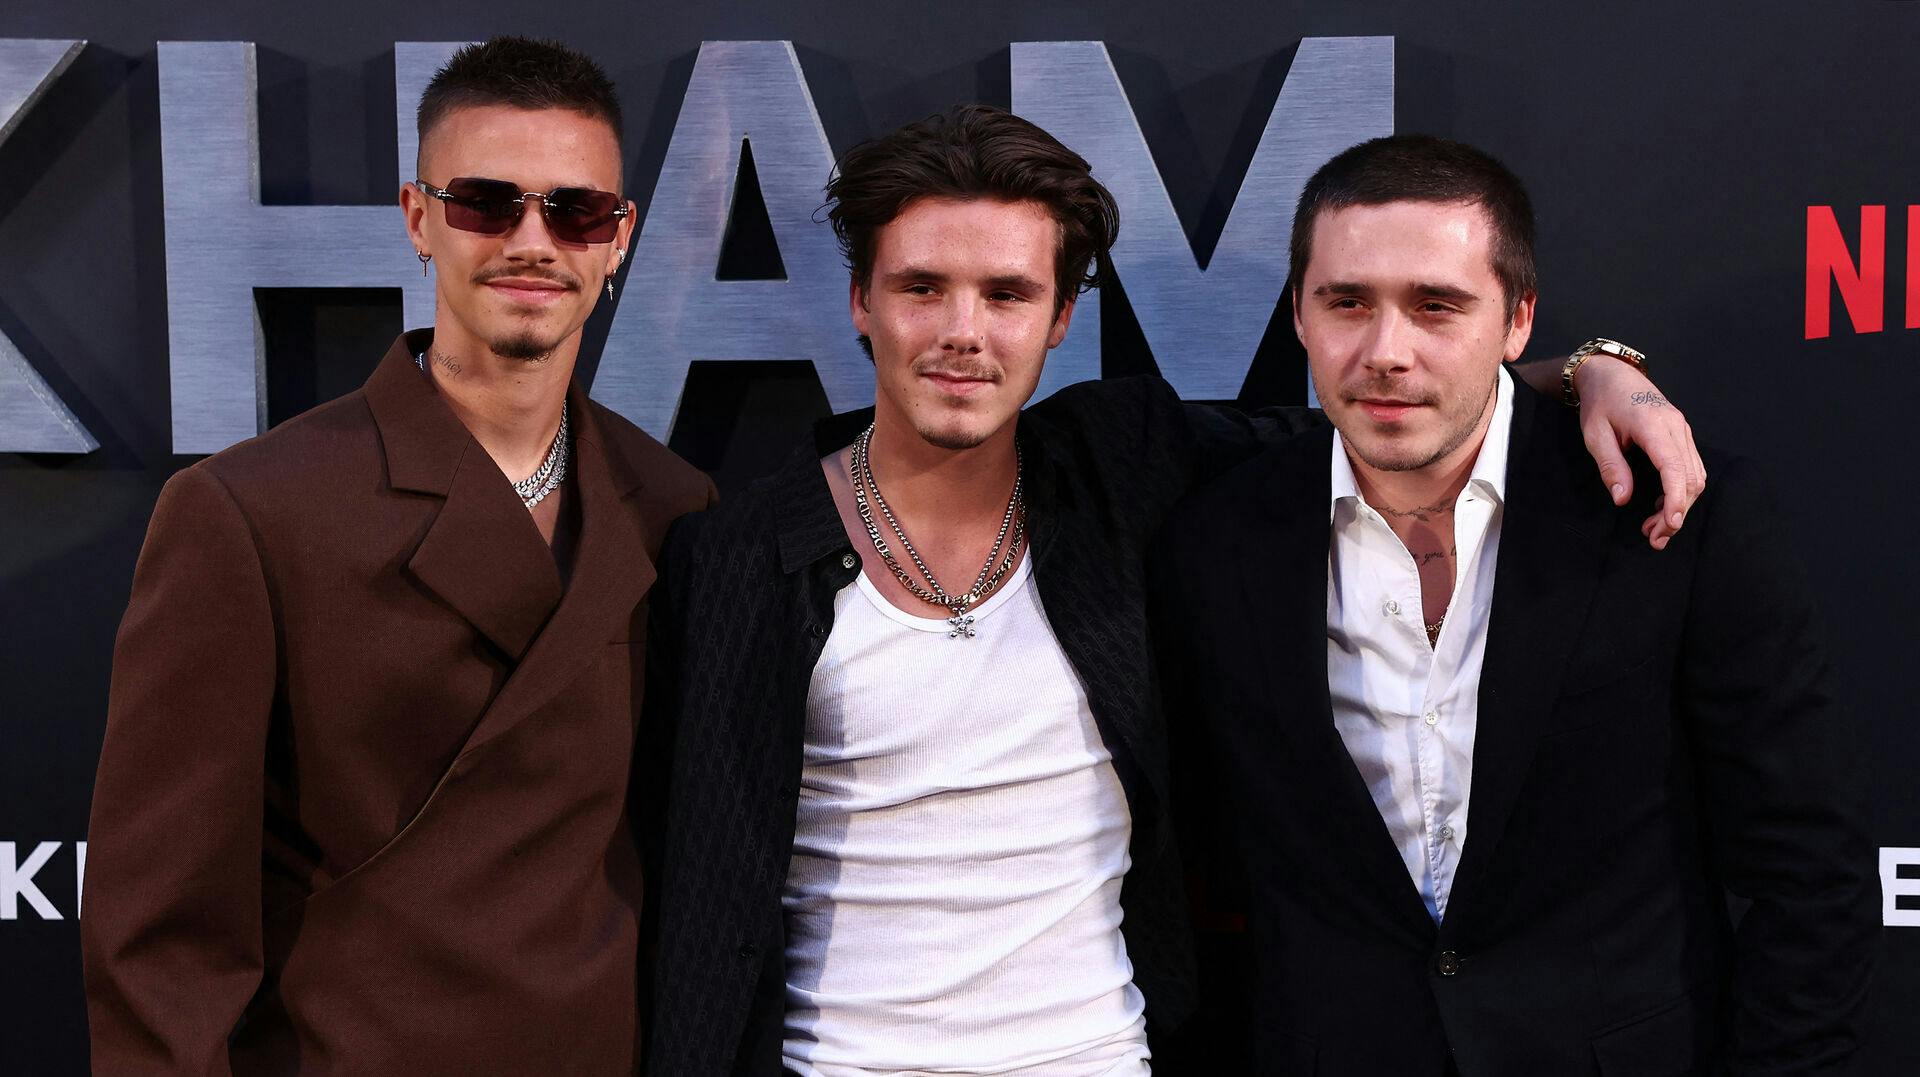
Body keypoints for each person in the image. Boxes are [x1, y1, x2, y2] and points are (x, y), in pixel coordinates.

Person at [641, 106, 1703, 1075]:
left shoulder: (1124, 466)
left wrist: (1587, 371)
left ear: (1060, 318)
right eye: (922, 287)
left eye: (1008, 293)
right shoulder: (736, 553)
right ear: (861, 302)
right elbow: (697, 891)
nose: (963, 331)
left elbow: (1380, 418)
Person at [1150, 134, 1879, 1074]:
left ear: (1519, 318)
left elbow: (1811, 871)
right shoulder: (1214, 538)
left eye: (1436, 306)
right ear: (1298, 312)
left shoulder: (1672, 514)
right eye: (1347, 303)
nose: (1386, 353)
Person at [82, 37, 712, 1072]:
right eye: (486, 203)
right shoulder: (248, 512)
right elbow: (162, 932)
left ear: (619, 239)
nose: (532, 241)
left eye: (575, 211)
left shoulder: (676, 508)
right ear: (420, 220)